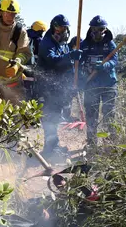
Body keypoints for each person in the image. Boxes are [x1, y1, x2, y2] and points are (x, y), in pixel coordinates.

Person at [36, 14, 82, 157]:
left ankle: (53, 145)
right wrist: (70, 56)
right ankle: (49, 150)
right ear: (53, 27)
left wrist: (72, 84)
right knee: (50, 118)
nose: (61, 31)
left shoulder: (62, 45)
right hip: (47, 87)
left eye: (64, 28)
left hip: (58, 87)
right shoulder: (47, 43)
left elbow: (66, 67)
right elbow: (53, 61)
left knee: (56, 118)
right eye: (58, 28)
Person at [78, 16, 118, 148]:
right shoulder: (85, 44)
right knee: (91, 114)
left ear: (105, 30)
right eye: (95, 29)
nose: (98, 32)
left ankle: (110, 143)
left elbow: (114, 61)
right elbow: (78, 61)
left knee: (109, 113)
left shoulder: (110, 43)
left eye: (101, 29)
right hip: (91, 85)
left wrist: (104, 66)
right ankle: (92, 143)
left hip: (108, 85)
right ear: (91, 29)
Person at [0, 0, 31, 103]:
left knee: (15, 114)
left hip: (12, 83)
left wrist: (17, 65)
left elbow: (25, 53)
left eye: (13, 14)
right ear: (1, 12)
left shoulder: (20, 32)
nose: (11, 16)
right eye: (8, 13)